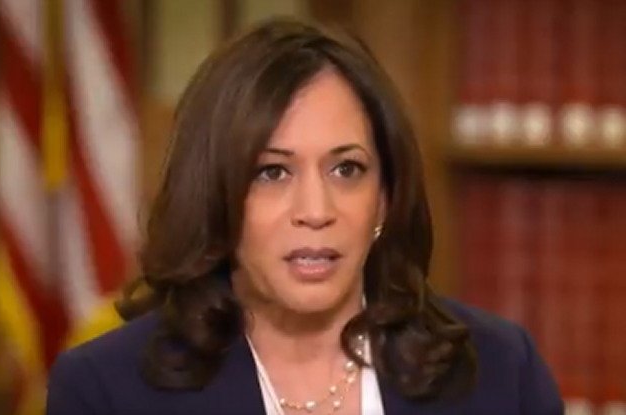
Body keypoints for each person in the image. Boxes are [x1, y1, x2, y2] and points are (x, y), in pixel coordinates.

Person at [46, 18, 563, 415]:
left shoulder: (500, 373)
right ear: (215, 196)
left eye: (346, 169)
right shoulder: (107, 390)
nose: (316, 211)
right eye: (272, 172)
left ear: (384, 197)